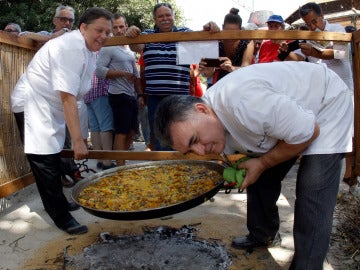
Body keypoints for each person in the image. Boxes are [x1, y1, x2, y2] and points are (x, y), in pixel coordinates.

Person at [154, 61, 353, 269]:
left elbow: (309, 131)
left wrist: (264, 162)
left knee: (313, 191)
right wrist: (255, 163)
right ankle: (262, 234)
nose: (201, 152)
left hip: (325, 103)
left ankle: (307, 265)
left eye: (195, 140)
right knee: (256, 169)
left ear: (202, 109)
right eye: (190, 151)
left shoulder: (245, 104)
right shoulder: (218, 119)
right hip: (287, 116)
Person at [11, 7, 113, 234]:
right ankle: (60, 216)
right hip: (33, 104)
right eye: (99, 30)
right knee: (44, 160)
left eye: (108, 32)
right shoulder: (71, 46)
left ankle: (60, 203)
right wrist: (78, 140)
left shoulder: (89, 49)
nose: (104, 36)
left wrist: (79, 136)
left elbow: (75, 96)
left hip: (52, 106)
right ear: (83, 27)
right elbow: (68, 96)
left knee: (55, 156)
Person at [125, 2, 220, 150]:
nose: (165, 18)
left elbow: (203, 39)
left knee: (183, 133)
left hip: (180, 96)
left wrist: (209, 27)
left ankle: (180, 168)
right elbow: (134, 46)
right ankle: (165, 169)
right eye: (160, 16)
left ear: (174, 16)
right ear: (155, 20)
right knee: (159, 135)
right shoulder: (147, 35)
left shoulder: (184, 32)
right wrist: (131, 32)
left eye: (168, 15)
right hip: (155, 97)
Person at [96, 13, 142, 166]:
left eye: (121, 26)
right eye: (115, 27)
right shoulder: (109, 46)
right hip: (118, 94)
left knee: (131, 131)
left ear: (126, 26)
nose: (119, 30)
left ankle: (121, 161)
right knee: (121, 132)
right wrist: (122, 74)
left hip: (131, 94)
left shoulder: (129, 47)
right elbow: (99, 71)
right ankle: (120, 168)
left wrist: (140, 94)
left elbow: (135, 73)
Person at [199, 7, 254, 84]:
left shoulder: (247, 43)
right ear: (222, 28)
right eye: (227, 33)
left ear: (241, 30)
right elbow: (207, 75)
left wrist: (231, 68)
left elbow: (246, 70)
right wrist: (205, 31)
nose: (230, 38)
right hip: (217, 85)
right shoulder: (216, 41)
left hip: (239, 84)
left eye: (234, 34)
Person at [83, 54, 114, 170]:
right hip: (100, 90)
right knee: (105, 127)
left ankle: (99, 160)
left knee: (95, 128)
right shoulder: (102, 51)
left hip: (87, 91)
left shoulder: (87, 50)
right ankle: (107, 162)